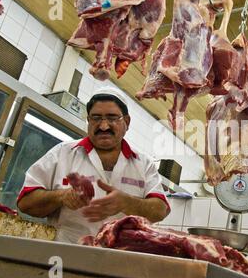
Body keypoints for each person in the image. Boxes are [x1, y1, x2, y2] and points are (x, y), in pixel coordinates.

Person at [17, 87, 170, 243]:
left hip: (121, 259)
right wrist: (61, 196)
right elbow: (25, 202)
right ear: (88, 120)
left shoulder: (143, 164)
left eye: (112, 118)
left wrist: (126, 202)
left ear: (127, 122)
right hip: (66, 256)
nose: (103, 126)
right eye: (96, 118)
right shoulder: (62, 153)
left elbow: (160, 209)